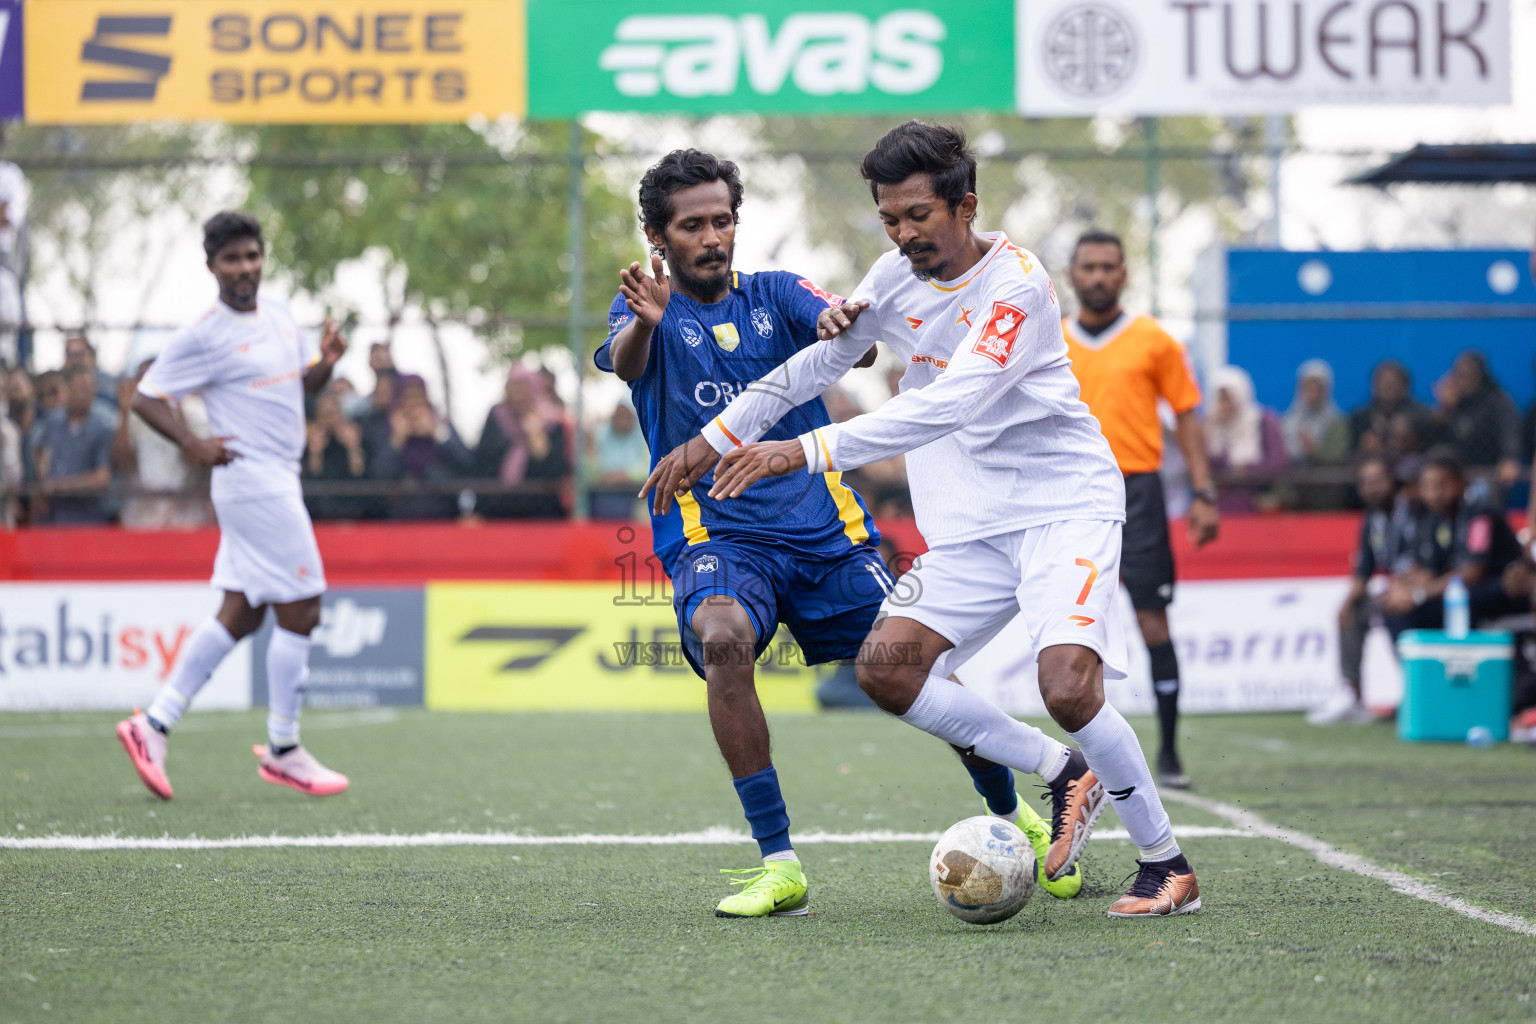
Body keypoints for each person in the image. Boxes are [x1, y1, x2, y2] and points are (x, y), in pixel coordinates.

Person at [654, 123, 1199, 918]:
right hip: (974, 524)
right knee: (888, 668)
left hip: (1063, 508)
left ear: (965, 204)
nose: (905, 235)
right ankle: (1064, 773)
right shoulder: (893, 275)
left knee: (1067, 687)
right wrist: (715, 438)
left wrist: (800, 451)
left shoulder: (1017, 285)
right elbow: (819, 364)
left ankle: (1165, 863)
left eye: (917, 216)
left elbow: (948, 405)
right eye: (890, 220)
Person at [601, 148, 913, 919]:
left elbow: (853, 338)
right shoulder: (646, 308)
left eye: (723, 220)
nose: (713, 236)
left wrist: (842, 324)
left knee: (911, 663)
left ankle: (1022, 815)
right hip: (718, 537)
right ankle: (779, 862)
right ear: (658, 235)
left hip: (822, 530)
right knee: (723, 635)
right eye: (693, 224)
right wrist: (647, 322)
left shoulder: (775, 291)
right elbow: (621, 361)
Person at [115, 211, 351, 800]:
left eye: (252, 256)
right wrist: (192, 443)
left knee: (241, 614)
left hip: (278, 477)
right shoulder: (203, 332)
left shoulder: (277, 315)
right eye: (232, 259)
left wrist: (325, 361)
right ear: (212, 266)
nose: (245, 268)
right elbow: (146, 399)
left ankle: (153, 723)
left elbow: (301, 387)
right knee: (303, 608)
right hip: (252, 482)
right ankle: (283, 748)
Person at [1061, 228, 1219, 790]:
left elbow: (1188, 415)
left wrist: (1204, 493)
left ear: (1124, 274)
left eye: (1109, 266)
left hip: (1139, 492)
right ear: (1072, 275)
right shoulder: (1049, 341)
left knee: (1153, 619)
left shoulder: (1154, 340)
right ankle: (1092, 760)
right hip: (1071, 492)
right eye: (1089, 267)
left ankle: (1171, 753)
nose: (1099, 276)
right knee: (1077, 624)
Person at [1383, 453, 1524, 638]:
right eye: (1426, 487)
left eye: (1441, 486)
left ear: (1461, 484)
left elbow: (1473, 573)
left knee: (1445, 602)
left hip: (1503, 589)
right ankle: (1416, 665)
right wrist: (1400, 589)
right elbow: (1430, 570)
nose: (1434, 494)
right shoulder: (1435, 520)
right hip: (1463, 591)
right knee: (1395, 607)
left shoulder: (1479, 515)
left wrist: (1418, 595)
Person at [1315, 454, 1411, 725]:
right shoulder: (1372, 519)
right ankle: (1352, 694)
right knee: (1352, 611)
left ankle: (1414, 693)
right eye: (1366, 483)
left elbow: (1424, 560)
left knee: (1397, 611)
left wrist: (1402, 588)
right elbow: (1364, 570)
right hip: (1390, 591)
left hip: (1417, 589)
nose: (1373, 488)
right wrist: (1347, 601)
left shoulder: (1412, 510)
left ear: (1392, 481)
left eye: (1378, 481)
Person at [112, 359, 213, 529]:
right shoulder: (129, 415)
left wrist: (176, 406)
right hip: (143, 514)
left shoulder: (194, 410)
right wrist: (124, 412)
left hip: (185, 514)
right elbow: (122, 461)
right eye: (144, 380)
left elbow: (193, 459)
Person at [368, 374, 472, 519]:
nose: (413, 403)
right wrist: (397, 439)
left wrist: (437, 433)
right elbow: (379, 474)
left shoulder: (441, 423)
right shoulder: (384, 429)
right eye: (407, 397)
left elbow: (465, 462)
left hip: (443, 513)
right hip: (398, 517)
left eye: (418, 396)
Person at [472, 365, 569, 519]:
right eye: (514, 387)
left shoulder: (553, 422)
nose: (518, 395)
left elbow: (556, 470)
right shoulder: (497, 416)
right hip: (498, 509)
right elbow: (482, 464)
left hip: (541, 513)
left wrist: (536, 436)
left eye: (523, 388)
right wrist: (477, 509)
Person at [34, 364, 115, 525]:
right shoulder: (54, 421)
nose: (82, 395)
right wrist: (43, 475)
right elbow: (39, 450)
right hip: (52, 518)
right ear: (67, 390)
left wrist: (60, 486)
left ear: (95, 390)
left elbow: (102, 478)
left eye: (87, 388)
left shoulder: (103, 427)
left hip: (87, 520)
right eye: (77, 388)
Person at [1431, 351, 1522, 490]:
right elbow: (1434, 441)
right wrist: (1445, 408)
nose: (1463, 380)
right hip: (1453, 473)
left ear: (1480, 375)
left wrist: (1509, 458)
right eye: (1459, 374)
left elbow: (1509, 431)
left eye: (1468, 374)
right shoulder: (1453, 402)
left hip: (1488, 472)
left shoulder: (1497, 400)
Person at [1204, 365, 1287, 512]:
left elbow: (1277, 462)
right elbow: (1203, 463)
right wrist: (1210, 429)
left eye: (1228, 398)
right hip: (1221, 504)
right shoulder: (1212, 426)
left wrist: (1247, 471)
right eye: (1220, 399)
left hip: (1258, 502)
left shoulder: (1263, 421)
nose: (1224, 405)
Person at [302, 389, 369, 521]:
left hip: (355, 511)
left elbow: (361, 476)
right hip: (319, 513)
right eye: (325, 414)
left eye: (332, 413)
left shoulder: (355, 438)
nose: (329, 419)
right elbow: (311, 482)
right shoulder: (310, 443)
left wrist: (353, 448)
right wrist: (315, 453)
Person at [1349, 360, 1431, 456]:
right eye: (1381, 382)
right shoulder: (1359, 418)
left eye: (1392, 383)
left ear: (1405, 386)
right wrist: (1363, 448)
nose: (1386, 386)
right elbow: (1349, 453)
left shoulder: (1422, 416)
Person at [586, 400, 649, 519]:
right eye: (618, 416)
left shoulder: (644, 435)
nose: (622, 421)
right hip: (604, 495)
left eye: (626, 416)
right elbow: (590, 472)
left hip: (636, 494)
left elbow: (649, 469)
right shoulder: (602, 434)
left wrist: (622, 476)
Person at [1282, 359, 1349, 465]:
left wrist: (1315, 452)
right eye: (1308, 389)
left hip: (1326, 478)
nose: (1312, 395)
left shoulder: (1336, 422)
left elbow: (1337, 456)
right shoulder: (1287, 421)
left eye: (1317, 390)